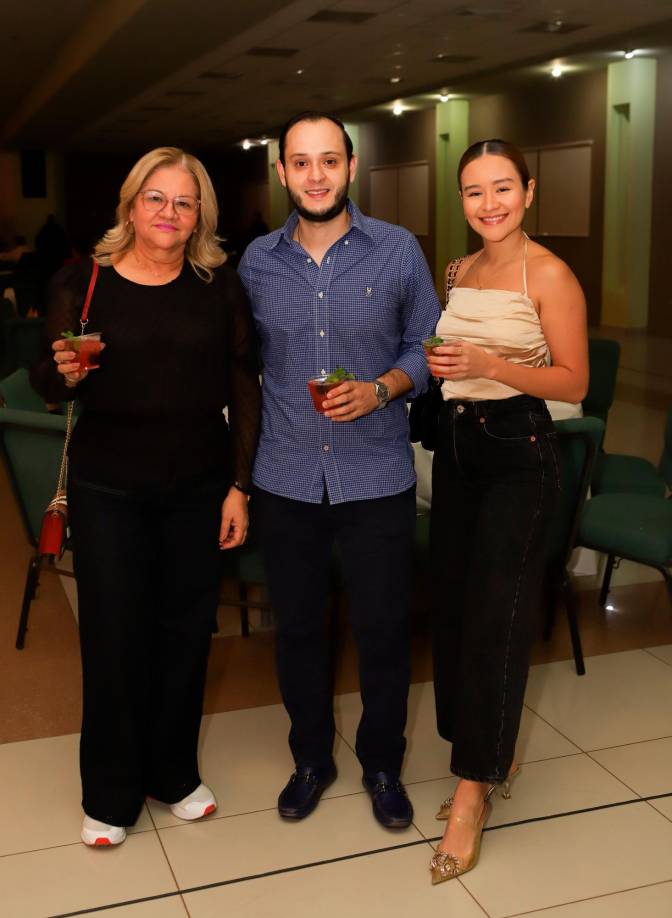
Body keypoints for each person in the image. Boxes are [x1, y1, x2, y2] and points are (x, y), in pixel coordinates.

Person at [31, 147, 261, 847]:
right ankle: (108, 791)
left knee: (187, 633)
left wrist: (239, 486)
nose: (169, 213)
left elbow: (245, 386)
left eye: (184, 202)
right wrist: (65, 372)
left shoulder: (218, 287)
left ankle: (174, 774)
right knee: (114, 636)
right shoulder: (84, 282)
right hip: (108, 489)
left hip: (197, 486)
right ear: (131, 206)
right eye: (155, 198)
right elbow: (46, 378)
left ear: (200, 218)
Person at [238, 111, 440, 828]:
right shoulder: (257, 261)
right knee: (296, 630)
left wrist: (385, 386)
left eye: (329, 160)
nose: (315, 175)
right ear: (283, 171)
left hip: (375, 475)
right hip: (286, 476)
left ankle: (382, 762)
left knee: (383, 630)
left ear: (352, 168)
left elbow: (428, 343)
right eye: (300, 162)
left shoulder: (397, 251)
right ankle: (311, 760)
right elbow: (237, 362)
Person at [425, 139, 588, 883]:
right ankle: (484, 747)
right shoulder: (459, 270)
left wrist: (490, 366)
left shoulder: (550, 273)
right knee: (454, 608)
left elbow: (573, 381)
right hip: (460, 450)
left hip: (520, 452)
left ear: (529, 191)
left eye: (501, 188)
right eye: (471, 191)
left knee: (499, 613)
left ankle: (471, 792)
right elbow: (454, 351)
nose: (487, 204)